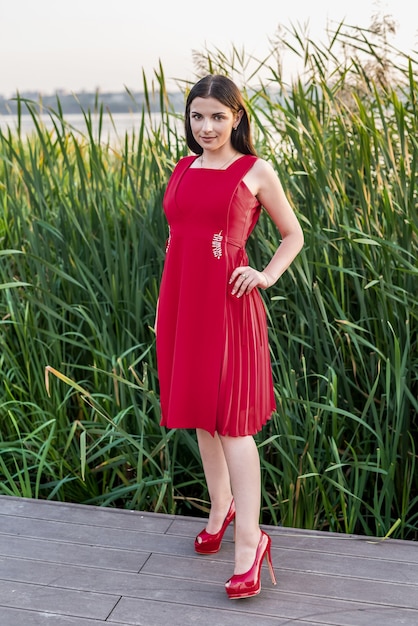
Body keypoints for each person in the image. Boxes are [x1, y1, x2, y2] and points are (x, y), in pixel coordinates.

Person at [156, 74, 304, 599]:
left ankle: (250, 543)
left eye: (218, 116)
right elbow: (183, 237)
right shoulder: (183, 167)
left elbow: (294, 234)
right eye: (198, 116)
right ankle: (221, 508)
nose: (207, 127)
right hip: (182, 304)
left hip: (229, 305)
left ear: (237, 117)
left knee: (233, 423)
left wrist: (265, 275)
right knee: (199, 414)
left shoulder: (256, 170)